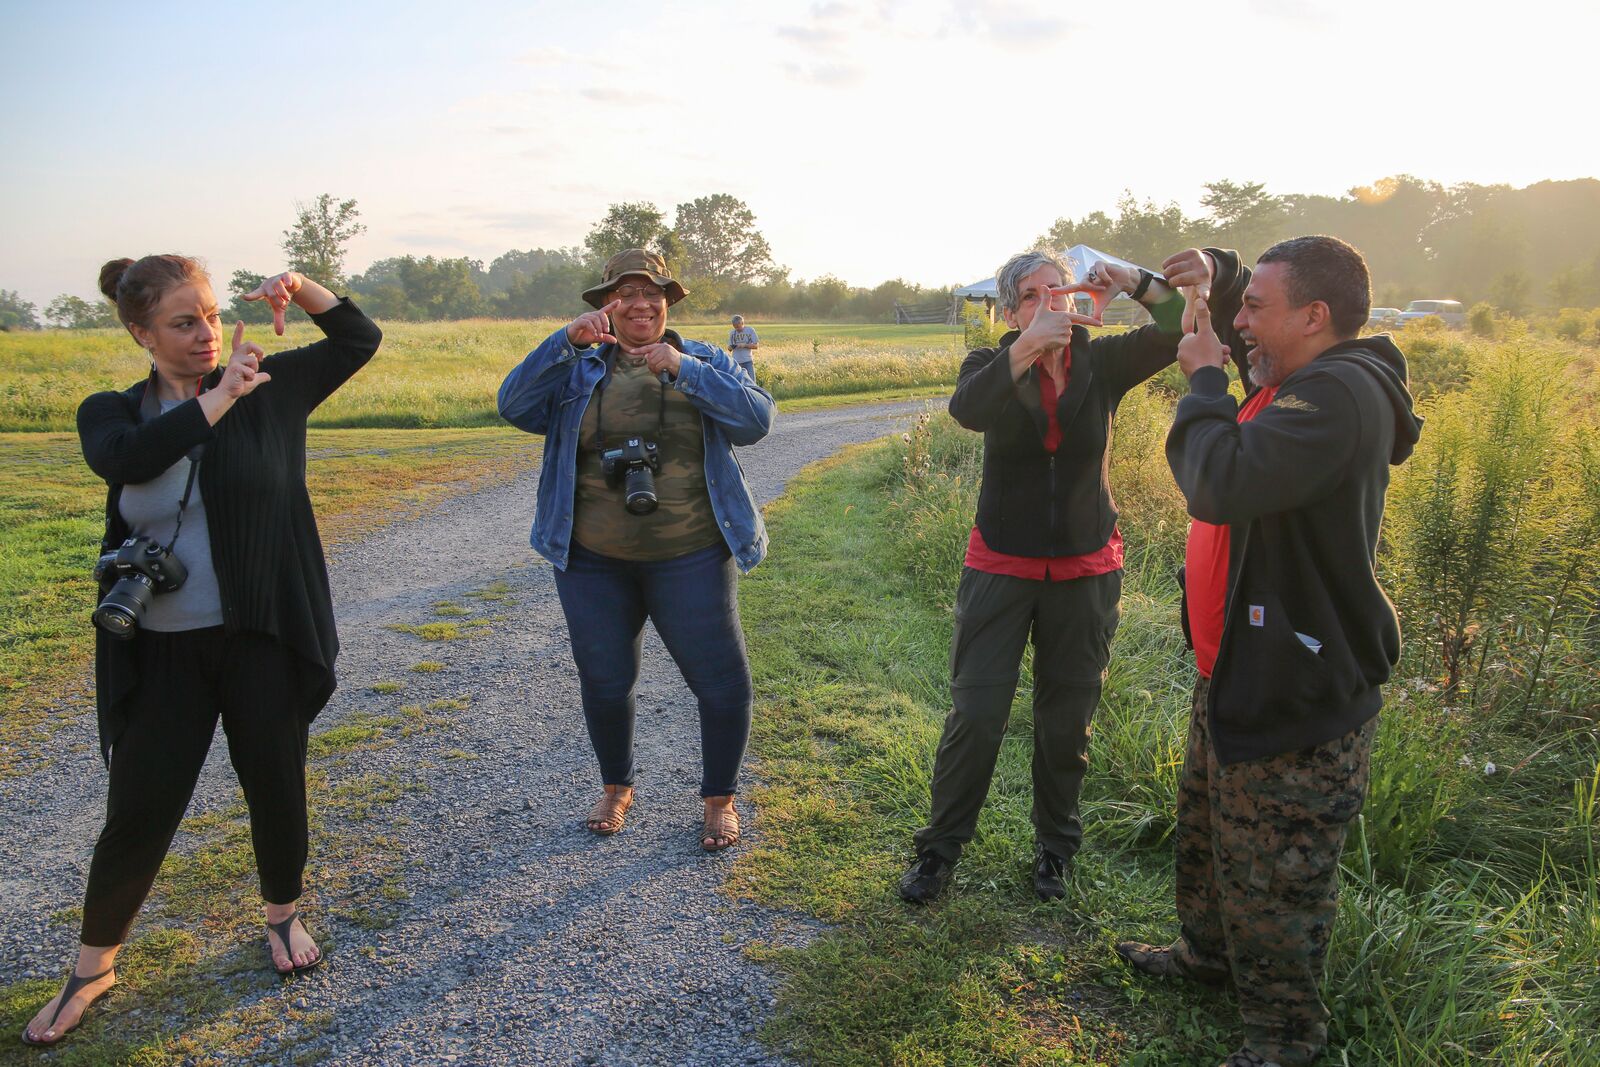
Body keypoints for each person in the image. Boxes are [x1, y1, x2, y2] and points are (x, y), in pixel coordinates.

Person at [22, 257, 382, 1047]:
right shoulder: (109, 412)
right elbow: (129, 461)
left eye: (213, 316)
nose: (206, 335)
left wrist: (301, 286)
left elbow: (359, 338)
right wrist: (216, 401)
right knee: (140, 810)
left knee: (276, 782)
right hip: (162, 651)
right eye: (184, 323)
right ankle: (93, 966)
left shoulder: (271, 388)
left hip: (260, 637)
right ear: (140, 331)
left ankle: (282, 916)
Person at [1115, 235, 1422, 1067]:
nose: (1242, 322)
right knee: (1209, 836)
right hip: (1240, 669)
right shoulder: (1298, 374)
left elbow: (1220, 480)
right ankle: (1205, 959)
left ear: (1316, 318)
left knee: (1276, 876)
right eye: (1240, 305)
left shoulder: (1336, 396)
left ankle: (1286, 1039)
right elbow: (1242, 317)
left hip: (1299, 686)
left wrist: (1205, 379)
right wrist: (1195, 280)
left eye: (1258, 308)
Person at [898, 245, 1247, 904]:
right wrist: (1025, 348)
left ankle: (1055, 849)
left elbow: (1184, 328)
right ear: (1009, 310)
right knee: (977, 714)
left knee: (1067, 721)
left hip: (1087, 568)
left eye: (1058, 289)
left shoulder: (1103, 360)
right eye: (1032, 294)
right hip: (1001, 563)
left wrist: (1137, 282)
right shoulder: (989, 364)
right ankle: (939, 852)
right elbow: (969, 409)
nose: (1049, 303)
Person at [498, 249, 774, 852]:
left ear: (668, 301)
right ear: (606, 305)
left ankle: (719, 799)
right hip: (593, 557)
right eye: (625, 293)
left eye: (653, 292)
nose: (641, 303)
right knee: (604, 679)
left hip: (692, 551)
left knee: (720, 681)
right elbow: (513, 406)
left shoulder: (704, 357)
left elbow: (755, 422)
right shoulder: (579, 366)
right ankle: (616, 786)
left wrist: (683, 369)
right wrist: (561, 343)